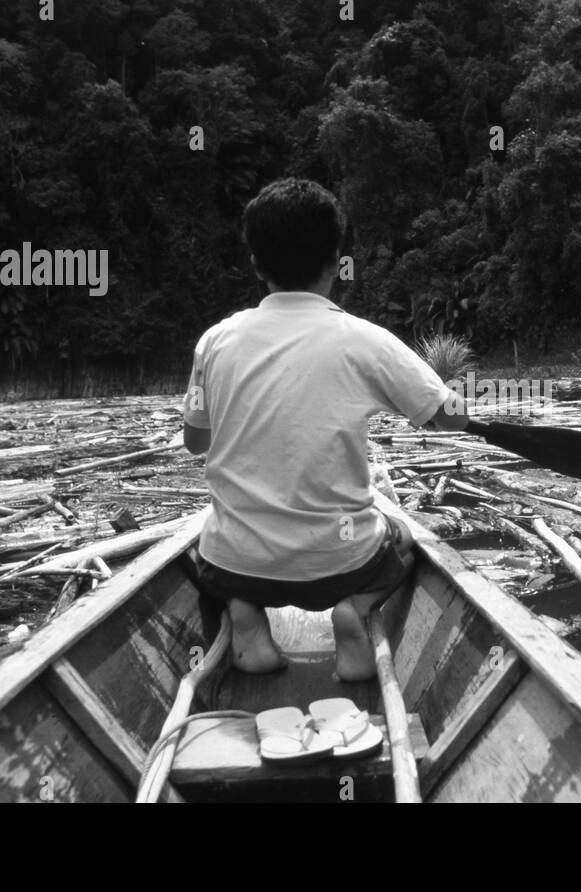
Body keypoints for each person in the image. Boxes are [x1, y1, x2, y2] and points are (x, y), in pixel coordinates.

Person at [181, 178, 468, 681]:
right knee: (402, 540)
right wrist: (469, 407)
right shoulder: (364, 341)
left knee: (201, 550)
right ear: (337, 260)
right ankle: (354, 611)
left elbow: (195, 442)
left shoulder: (214, 342)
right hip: (342, 565)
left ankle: (245, 615)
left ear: (254, 262)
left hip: (233, 564)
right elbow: (445, 414)